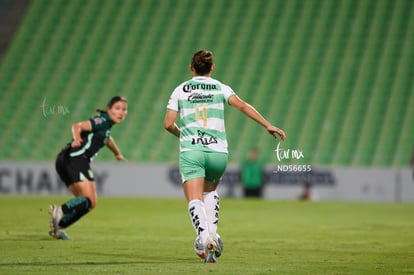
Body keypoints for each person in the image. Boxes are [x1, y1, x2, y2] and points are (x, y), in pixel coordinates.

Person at [163, 50, 286, 263]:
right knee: (210, 192)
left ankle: (204, 237)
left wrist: (182, 134)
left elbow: (167, 124)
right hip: (218, 152)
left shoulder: (180, 90)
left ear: (191, 67)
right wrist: (267, 124)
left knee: (194, 198)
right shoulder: (221, 87)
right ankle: (214, 235)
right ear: (212, 68)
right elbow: (242, 105)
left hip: (192, 150)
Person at [49, 96, 128, 240]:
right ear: (109, 109)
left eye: (124, 109)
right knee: (89, 200)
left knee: (88, 203)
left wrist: (118, 154)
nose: (121, 112)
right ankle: (59, 211)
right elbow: (77, 126)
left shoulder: (106, 127)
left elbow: (108, 140)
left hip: (66, 159)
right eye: (117, 108)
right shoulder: (102, 120)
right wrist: (77, 138)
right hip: (76, 158)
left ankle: (58, 228)